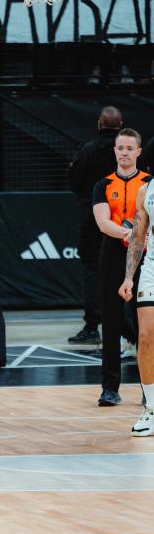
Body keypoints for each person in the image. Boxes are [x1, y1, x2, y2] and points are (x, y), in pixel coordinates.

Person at [93, 129, 151, 406]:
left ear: (139, 151)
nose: (125, 153)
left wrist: (140, 236)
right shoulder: (102, 184)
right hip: (113, 254)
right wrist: (129, 234)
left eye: (130, 148)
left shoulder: (149, 183)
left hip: (145, 255)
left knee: (145, 324)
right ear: (114, 151)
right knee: (111, 321)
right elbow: (103, 223)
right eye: (120, 148)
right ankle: (110, 387)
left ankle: (147, 388)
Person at [68, 106, 123, 345]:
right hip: (122, 216)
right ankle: (127, 328)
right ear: (120, 125)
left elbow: (74, 182)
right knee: (125, 269)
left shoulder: (88, 150)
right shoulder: (125, 151)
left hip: (92, 217)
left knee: (93, 269)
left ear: (99, 124)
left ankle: (92, 327)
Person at [119, 175, 154, 434]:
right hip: (152, 269)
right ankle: (151, 409)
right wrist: (129, 277)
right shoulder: (146, 190)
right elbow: (138, 236)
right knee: (145, 336)